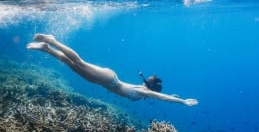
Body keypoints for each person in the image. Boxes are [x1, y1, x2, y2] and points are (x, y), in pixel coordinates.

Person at [27, 34, 198, 106]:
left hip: (103, 82)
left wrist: (174, 96)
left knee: (72, 65)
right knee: (79, 62)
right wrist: (182, 102)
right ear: (151, 90)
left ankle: (46, 48)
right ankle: (52, 41)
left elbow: (163, 96)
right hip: (109, 79)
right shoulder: (142, 92)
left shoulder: (144, 90)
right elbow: (160, 97)